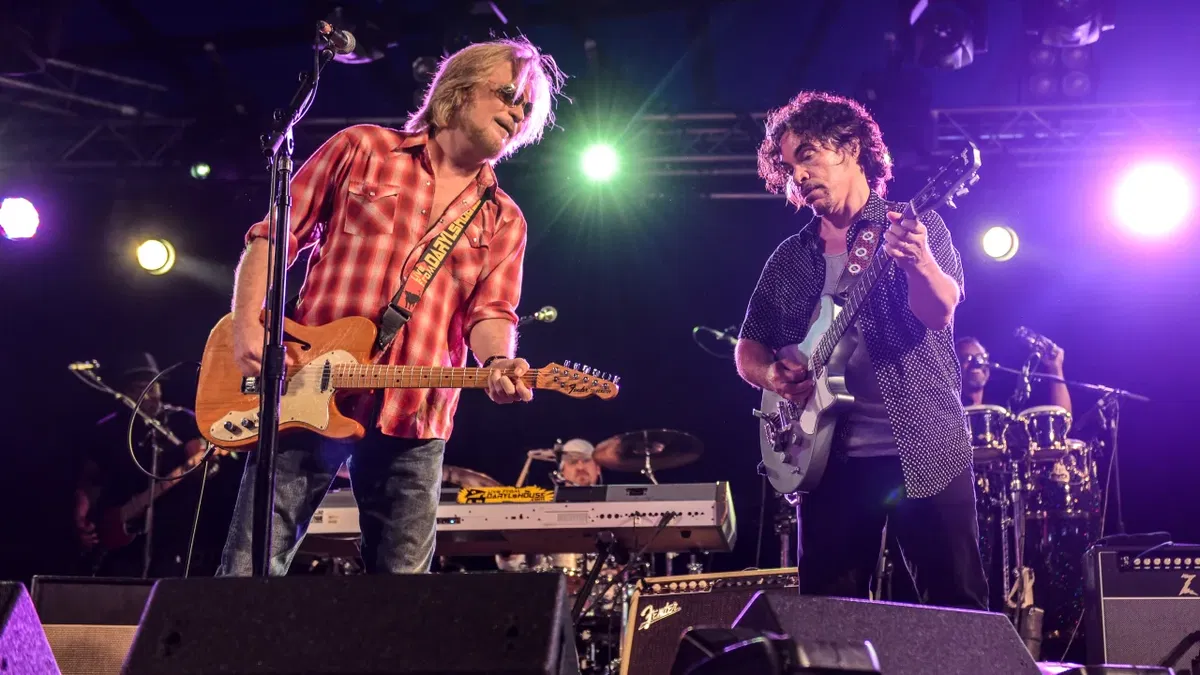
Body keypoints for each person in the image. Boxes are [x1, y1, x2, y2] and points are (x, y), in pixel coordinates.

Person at [216, 36, 565, 577]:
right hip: (306, 391)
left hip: (416, 413)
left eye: (526, 109)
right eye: (508, 95)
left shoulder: (505, 218)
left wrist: (497, 363)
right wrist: (246, 330)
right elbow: (270, 240)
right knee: (249, 570)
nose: (518, 113)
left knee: (401, 598)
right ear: (458, 88)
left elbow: (491, 313)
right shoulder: (361, 148)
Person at [733, 91, 988, 610]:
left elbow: (940, 313)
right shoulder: (790, 258)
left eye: (807, 155)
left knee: (958, 611)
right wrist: (774, 378)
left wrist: (918, 262)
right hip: (828, 462)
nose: (797, 176)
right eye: (787, 167)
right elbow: (748, 346)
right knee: (829, 619)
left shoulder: (915, 225)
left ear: (850, 147)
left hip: (924, 446)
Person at [75, 353, 234, 578]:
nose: (148, 395)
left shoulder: (182, 421)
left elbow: (205, 466)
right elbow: (91, 479)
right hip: (116, 535)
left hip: (170, 533)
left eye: (152, 387)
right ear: (125, 393)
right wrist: (81, 513)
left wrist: (201, 466)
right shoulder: (109, 429)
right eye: (139, 388)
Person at [956, 336, 1072, 412]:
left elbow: (1061, 422)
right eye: (967, 358)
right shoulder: (947, 413)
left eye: (981, 358)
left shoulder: (1002, 408)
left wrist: (1055, 368)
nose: (977, 363)